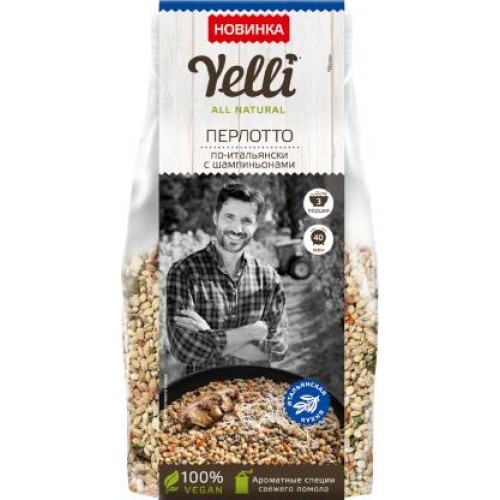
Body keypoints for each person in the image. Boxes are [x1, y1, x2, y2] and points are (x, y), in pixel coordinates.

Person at [166, 183, 289, 375]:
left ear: (255, 226)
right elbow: (184, 348)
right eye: (229, 217)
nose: (237, 228)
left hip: (257, 389)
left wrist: (208, 335)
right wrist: (251, 333)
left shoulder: (269, 278)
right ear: (216, 218)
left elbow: (278, 348)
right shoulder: (184, 272)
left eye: (246, 220)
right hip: (202, 389)